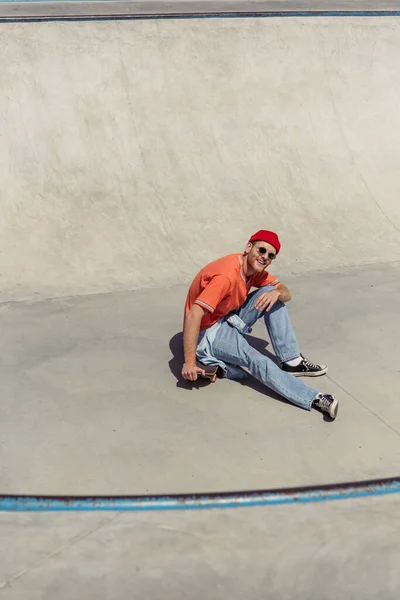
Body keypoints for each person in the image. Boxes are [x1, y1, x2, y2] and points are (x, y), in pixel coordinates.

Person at [182, 230, 339, 420]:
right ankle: (315, 398)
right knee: (256, 359)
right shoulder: (226, 276)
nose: (264, 257)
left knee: (273, 293)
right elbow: (193, 316)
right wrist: (189, 362)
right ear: (249, 247)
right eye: (261, 250)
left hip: (226, 317)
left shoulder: (253, 271)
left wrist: (276, 293)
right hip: (208, 334)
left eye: (270, 255)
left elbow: (286, 293)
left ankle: (292, 361)